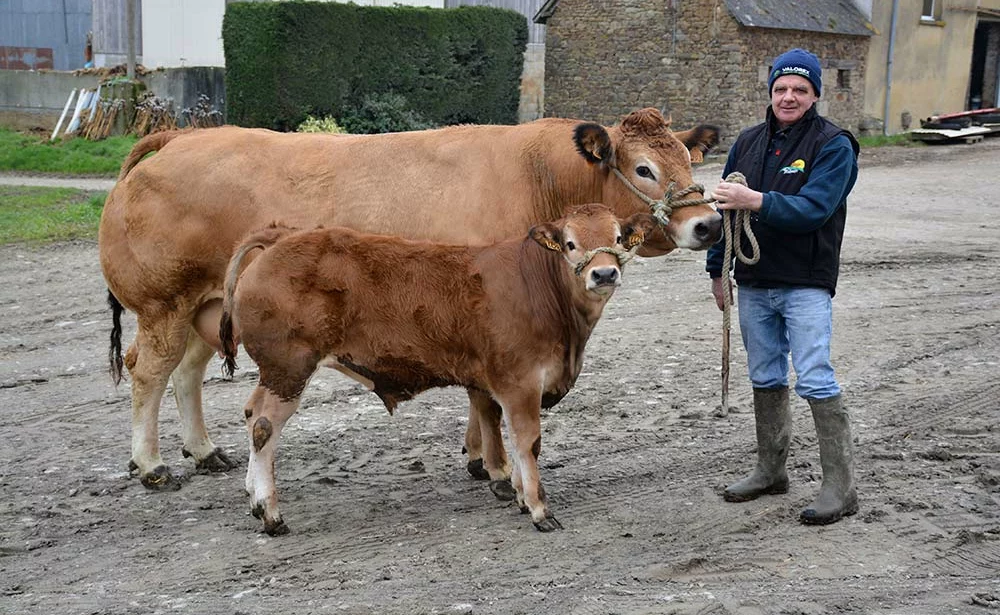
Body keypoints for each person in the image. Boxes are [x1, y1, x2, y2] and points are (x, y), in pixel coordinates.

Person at [706, 48, 860, 525]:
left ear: (815, 93)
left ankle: (841, 487)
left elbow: (816, 208)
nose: (788, 97)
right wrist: (716, 269)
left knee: (814, 375)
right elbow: (725, 214)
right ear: (770, 92)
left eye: (799, 89)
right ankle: (771, 471)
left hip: (806, 282)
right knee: (766, 375)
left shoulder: (834, 145)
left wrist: (754, 199)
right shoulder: (748, 142)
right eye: (780, 89)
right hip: (753, 281)